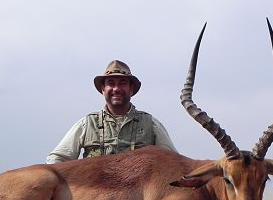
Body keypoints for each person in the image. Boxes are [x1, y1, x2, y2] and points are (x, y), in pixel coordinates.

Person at [46, 60, 177, 164]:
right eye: (111, 83)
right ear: (103, 88)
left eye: (122, 83)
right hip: (96, 193)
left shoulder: (151, 124)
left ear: (131, 89)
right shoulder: (88, 123)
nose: (116, 88)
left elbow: (173, 162)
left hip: (137, 195)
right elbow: (56, 159)